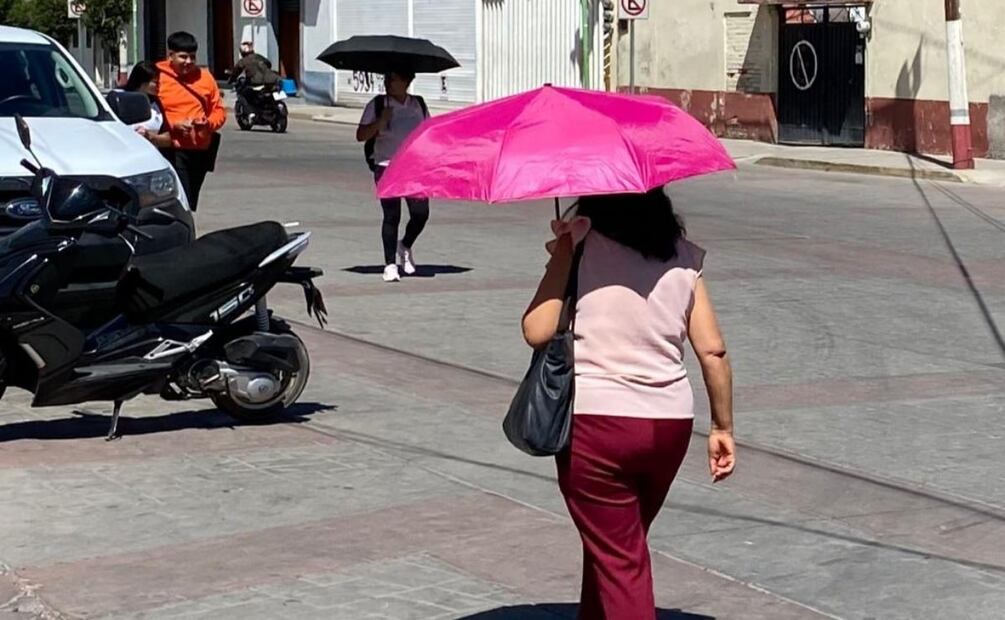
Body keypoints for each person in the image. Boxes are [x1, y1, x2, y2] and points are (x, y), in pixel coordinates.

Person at [521, 188, 736, 619]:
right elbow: (712, 350)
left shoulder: (579, 243)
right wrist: (722, 428)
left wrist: (562, 249)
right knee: (616, 543)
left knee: (621, 559)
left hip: (598, 426)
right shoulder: (683, 255)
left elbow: (537, 330)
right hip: (669, 425)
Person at [356, 71, 430, 282]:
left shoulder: (419, 104)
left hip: (414, 168)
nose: (388, 83)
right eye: (387, 79)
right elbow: (361, 136)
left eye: (394, 79)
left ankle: (405, 245)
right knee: (392, 216)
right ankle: (390, 264)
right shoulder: (378, 104)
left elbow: (427, 130)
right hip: (386, 166)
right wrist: (380, 122)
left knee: (421, 213)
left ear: (407, 82)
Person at [156, 31, 226, 212]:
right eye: (183, 57)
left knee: (189, 201)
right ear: (170, 55)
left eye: (192, 57)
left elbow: (218, 111)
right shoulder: (157, 76)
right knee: (179, 200)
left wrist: (208, 123)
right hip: (170, 147)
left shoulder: (205, 77)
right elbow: (149, 112)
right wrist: (174, 125)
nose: (188, 62)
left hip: (199, 150)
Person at [120, 61, 172, 149]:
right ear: (142, 82)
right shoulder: (119, 98)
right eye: (155, 82)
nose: (159, 86)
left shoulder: (158, 104)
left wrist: (151, 137)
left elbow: (168, 139)